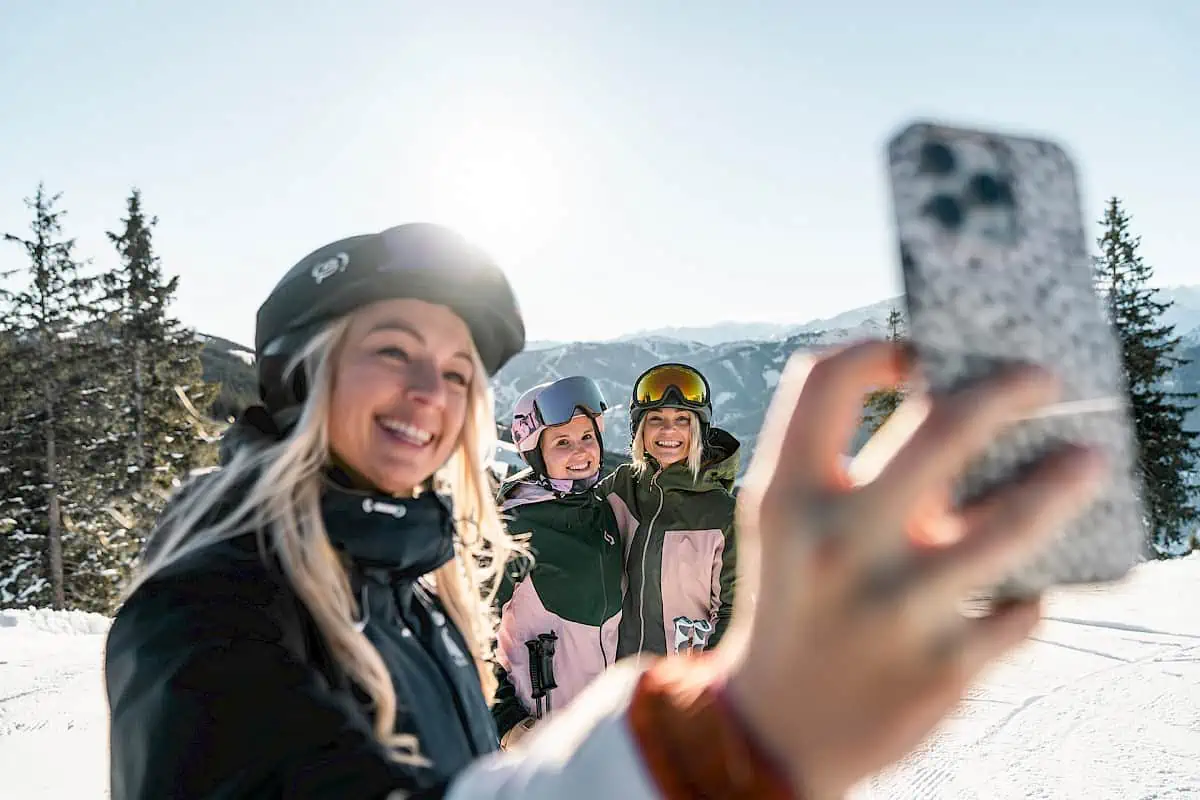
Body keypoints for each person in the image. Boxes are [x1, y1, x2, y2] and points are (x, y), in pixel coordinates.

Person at [103, 221, 1107, 799]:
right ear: (299, 372)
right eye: (393, 349)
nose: (431, 393)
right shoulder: (209, 610)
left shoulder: (400, 572)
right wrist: (714, 738)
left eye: (458, 370)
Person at [489, 377, 624, 749]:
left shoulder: (604, 511)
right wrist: (505, 722)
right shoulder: (512, 528)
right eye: (562, 443)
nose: (581, 452)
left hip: (605, 728)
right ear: (536, 454)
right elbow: (469, 631)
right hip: (542, 736)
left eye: (587, 438)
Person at [601, 362, 740, 660]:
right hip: (616, 680)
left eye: (682, 419)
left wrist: (699, 682)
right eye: (655, 419)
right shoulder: (620, 488)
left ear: (699, 429)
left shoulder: (724, 514)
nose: (668, 430)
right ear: (639, 428)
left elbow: (734, 611)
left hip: (680, 687)